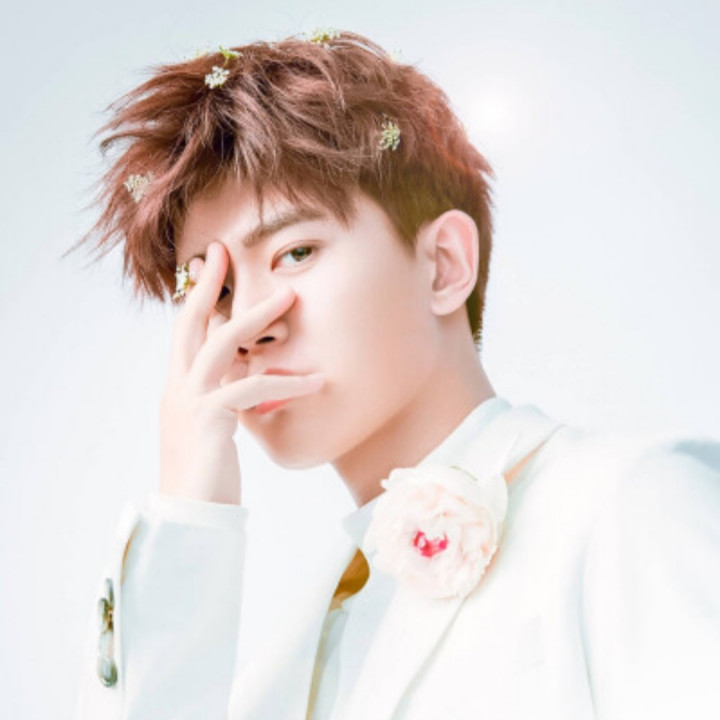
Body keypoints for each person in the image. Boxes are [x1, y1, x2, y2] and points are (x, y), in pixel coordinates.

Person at [70, 30, 719, 720]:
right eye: (216, 289)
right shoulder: (286, 659)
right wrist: (187, 515)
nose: (249, 324)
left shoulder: (629, 505)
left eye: (295, 252)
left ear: (444, 264)